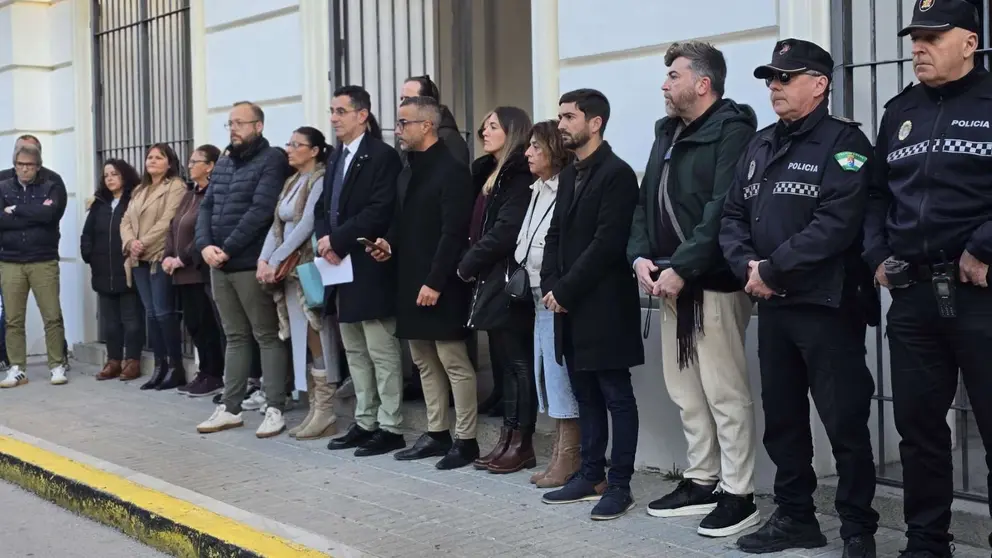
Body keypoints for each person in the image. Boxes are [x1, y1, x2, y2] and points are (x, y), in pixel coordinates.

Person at [719, 39, 879, 557]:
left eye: (786, 77)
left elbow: (837, 223)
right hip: (774, 305)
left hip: (826, 306)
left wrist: (772, 267)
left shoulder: (845, 143)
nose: (775, 87)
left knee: (844, 423)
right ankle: (795, 518)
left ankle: (857, 529)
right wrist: (749, 266)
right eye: (771, 78)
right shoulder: (761, 144)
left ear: (820, 83)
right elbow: (732, 216)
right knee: (784, 420)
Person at [864, 2, 991, 556]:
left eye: (933, 37)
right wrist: (876, 254)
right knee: (918, 433)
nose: (919, 46)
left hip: (982, 293)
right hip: (913, 295)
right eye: (915, 37)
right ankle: (925, 543)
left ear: (969, 41)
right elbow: (875, 197)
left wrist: (985, 246)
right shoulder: (899, 111)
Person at [627, 41, 760, 538]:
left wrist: (683, 267)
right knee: (685, 392)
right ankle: (702, 479)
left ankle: (739, 493)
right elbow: (644, 203)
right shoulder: (666, 133)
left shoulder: (733, 130)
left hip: (714, 285)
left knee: (725, 393)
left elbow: (722, 209)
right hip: (670, 285)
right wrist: (640, 257)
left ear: (703, 84)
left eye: (674, 76)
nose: (664, 85)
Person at [539, 89, 643, 521]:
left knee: (616, 395)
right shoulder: (568, 175)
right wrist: (550, 286)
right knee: (585, 394)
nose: (560, 124)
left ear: (594, 122)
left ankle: (619, 485)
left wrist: (565, 290)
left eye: (568, 117)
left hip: (605, 305)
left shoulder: (617, 174)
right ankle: (591, 473)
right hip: (569, 306)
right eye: (560, 116)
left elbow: (607, 244)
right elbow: (554, 235)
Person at [367, 96, 479, 470]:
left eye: (404, 123)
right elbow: (401, 221)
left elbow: (453, 233)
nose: (398, 130)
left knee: (453, 360)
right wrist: (387, 244)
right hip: (409, 279)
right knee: (423, 361)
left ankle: (466, 439)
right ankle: (437, 432)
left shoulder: (452, 170)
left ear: (426, 126)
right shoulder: (408, 169)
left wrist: (435, 281)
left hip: (440, 282)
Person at [194, 101, 292, 439]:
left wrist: (228, 249)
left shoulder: (272, 159)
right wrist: (205, 245)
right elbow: (205, 206)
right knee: (235, 336)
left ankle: (275, 407)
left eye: (240, 123)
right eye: (230, 123)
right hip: (218, 263)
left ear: (259, 126)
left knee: (266, 335)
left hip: (248, 262)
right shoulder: (223, 161)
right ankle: (230, 407)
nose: (233, 129)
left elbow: (261, 210)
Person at [318, 86, 407, 457]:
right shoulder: (337, 155)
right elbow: (325, 205)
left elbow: (378, 208)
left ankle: (390, 426)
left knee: (381, 351)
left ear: (362, 115)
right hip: (340, 267)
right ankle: (365, 419)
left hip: (369, 265)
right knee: (354, 350)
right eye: (332, 111)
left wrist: (337, 241)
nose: (334, 118)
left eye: (341, 111)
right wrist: (324, 238)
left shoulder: (382, 156)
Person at [458, 106, 535, 474]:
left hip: (507, 280)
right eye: (483, 126)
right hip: (490, 275)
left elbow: (506, 231)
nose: (483, 132)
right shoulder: (491, 174)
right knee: (506, 363)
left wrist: (468, 263)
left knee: (518, 365)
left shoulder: (518, 175)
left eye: (492, 126)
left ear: (513, 131)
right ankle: (506, 438)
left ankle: (521, 442)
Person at [257, 126, 340, 441]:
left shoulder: (319, 179)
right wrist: (264, 260)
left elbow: (306, 225)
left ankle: (326, 409)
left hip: (305, 267)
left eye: (297, 144)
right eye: (288, 143)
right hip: (288, 269)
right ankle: (315, 408)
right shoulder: (292, 181)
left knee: (317, 331)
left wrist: (277, 259)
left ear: (315, 150)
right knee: (302, 336)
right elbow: (277, 224)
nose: (289, 149)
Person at [516, 120, 580, 489]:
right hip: (537, 295)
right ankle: (560, 450)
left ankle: (570, 454)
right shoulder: (537, 188)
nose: (528, 153)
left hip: (555, 293)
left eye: (536, 146)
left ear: (554, 149)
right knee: (546, 374)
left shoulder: (564, 187)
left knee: (559, 375)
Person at [0, 134, 71, 372]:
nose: (24, 168)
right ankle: (16, 367)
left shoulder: (52, 182)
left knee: (52, 315)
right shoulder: (2, 182)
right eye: (20, 161)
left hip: (43, 257)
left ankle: (57, 363)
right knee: (12, 319)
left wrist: (16, 210)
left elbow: (50, 216)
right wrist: (34, 214)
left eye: (29, 163)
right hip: (10, 258)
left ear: (38, 161)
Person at [122, 143, 188, 392]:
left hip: (159, 255)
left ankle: (175, 367)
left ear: (169, 163)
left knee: (163, 312)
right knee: (150, 313)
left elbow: (167, 222)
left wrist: (142, 243)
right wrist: (130, 243)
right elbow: (126, 220)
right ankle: (160, 367)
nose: (152, 161)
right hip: (138, 257)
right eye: (149, 157)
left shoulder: (176, 187)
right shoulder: (140, 189)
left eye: (159, 157)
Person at [162, 146, 226, 398]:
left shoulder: (213, 194)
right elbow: (173, 226)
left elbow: (203, 230)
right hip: (180, 273)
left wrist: (182, 257)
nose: (189, 165)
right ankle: (205, 372)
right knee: (194, 325)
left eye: (195, 161)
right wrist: (167, 254)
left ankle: (215, 373)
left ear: (210, 166)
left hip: (198, 270)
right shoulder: (189, 194)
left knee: (208, 324)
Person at [81, 159, 144, 382]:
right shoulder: (99, 203)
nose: (109, 178)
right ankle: (114, 361)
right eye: (106, 174)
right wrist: (89, 255)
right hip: (102, 270)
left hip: (126, 269)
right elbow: (87, 234)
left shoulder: (134, 200)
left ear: (124, 176)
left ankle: (132, 361)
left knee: (132, 319)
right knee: (110, 321)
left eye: (114, 174)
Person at [399, 75, 470, 166]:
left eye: (408, 99)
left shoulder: (449, 140)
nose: (402, 104)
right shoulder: (405, 135)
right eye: (401, 99)